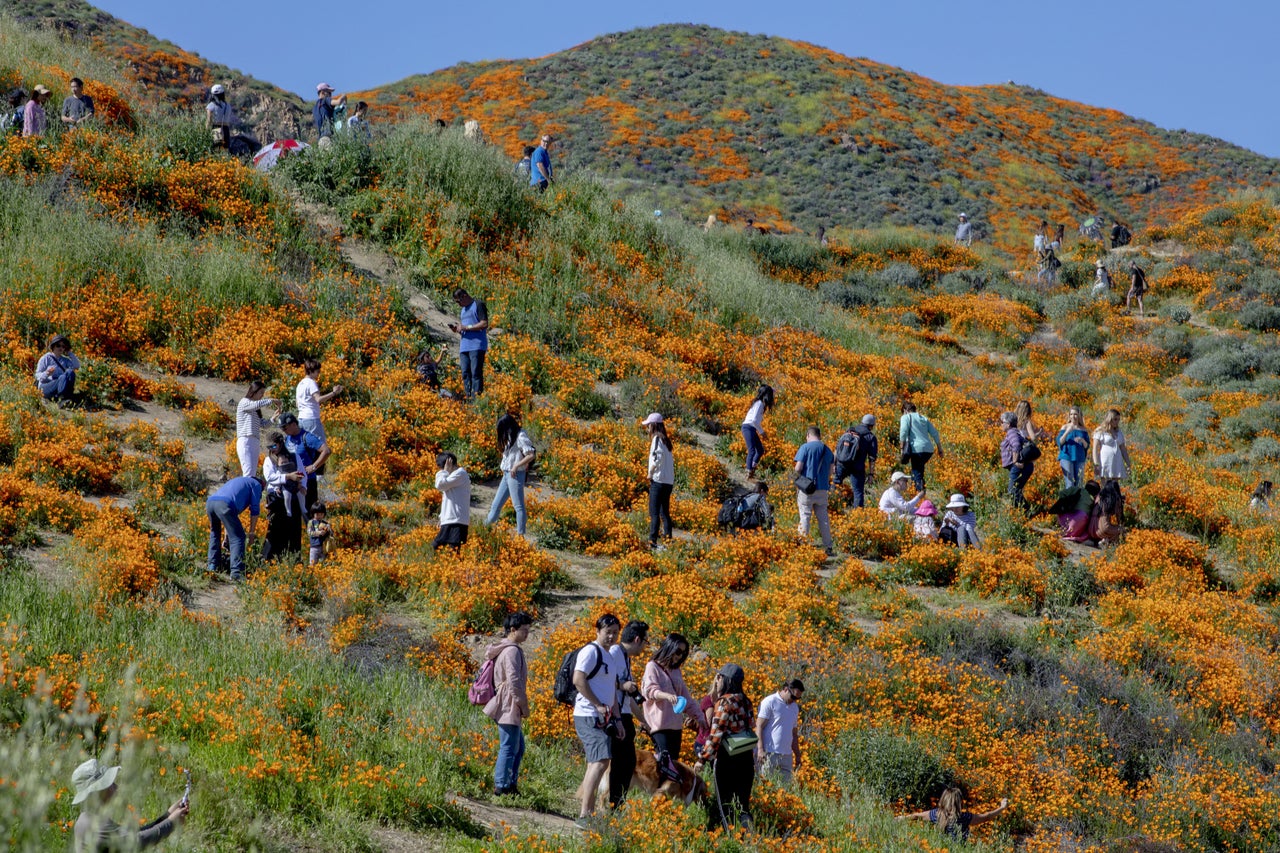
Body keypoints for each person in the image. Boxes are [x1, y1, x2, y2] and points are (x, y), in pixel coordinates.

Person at [71, 758, 188, 852]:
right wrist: (171, 823)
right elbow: (137, 841)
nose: (116, 787)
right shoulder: (95, 825)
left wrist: (167, 816)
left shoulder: (89, 818)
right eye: (110, 784)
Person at [573, 614, 622, 828]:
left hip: (603, 716)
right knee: (601, 761)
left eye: (614, 632)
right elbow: (578, 680)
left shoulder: (609, 656)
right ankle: (585, 815)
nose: (611, 636)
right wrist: (596, 704)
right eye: (607, 632)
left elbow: (611, 691)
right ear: (597, 631)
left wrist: (617, 719)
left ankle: (589, 813)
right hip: (588, 714)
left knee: (596, 762)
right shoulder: (590, 651)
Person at [694, 664, 755, 831]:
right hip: (746, 757)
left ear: (725, 679)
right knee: (743, 804)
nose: (717, 680)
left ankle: (730, 839)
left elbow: (716, 734)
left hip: (727, 759)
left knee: (725, 803)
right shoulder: (746, 701)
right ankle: (750, 838)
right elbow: (751, 726)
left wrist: (702, 758)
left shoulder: (724, 702)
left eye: (719, 677)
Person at [642, 633, 707, 782]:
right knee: (663, 764)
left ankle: (667, 796)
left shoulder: (676, 671)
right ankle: (658, 795)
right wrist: (666, 696)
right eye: (678, 651)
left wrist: (699, 717)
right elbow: (649, 691)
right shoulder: (652, 666)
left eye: (683, 653)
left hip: (675, 726)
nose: (679, 656)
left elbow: (686, 699)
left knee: (673, 764)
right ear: (669, 647)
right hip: (659, 725)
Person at [485, 611, 533, 796]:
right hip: (508, 703)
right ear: (512, 630)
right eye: (524, 630)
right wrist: (523, 704)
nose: (527, 634)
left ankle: (510, 784)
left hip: (506, 702)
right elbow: (514, 681)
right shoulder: (512, 650)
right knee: (509, 746)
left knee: (518, 746)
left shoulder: (506, 649)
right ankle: (502, 786)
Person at [608, 619, 650, 808]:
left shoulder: (624, 657)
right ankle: (614, 804)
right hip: (615, 714)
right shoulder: (615, 653)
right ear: (637, 639)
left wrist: (643, 720)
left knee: (627, 762)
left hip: (624, 715)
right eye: (645, 642)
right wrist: (623, 685)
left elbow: (630, 697)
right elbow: (607, 681)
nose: (644, 648)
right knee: (622, 763)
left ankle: (618, 803)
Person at [486, 413, 536, 535]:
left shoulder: (520, 436)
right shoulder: (510, 435)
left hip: (516, 474)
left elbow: (531, 454)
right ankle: (484, 528)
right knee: (495, 505)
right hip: (507, 475)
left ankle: (520, 536)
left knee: (518, 507)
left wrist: (516, 465)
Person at [206, 475, 262, 582]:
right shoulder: (257, 485)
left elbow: (230, 515)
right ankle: (236, 572)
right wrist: (251, 533)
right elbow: (255, 510)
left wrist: (226, 537)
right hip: (225, 504)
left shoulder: (239, 481)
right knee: (238, 537)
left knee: (215, 533)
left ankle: (212, 566)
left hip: (211, 502)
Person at [260, 433, 306, 563]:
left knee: (294, 529)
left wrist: (302, 485)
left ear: (281, 443)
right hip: (277, 497)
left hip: (294, 495)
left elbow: (302, 473)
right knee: (275, 529)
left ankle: (294, 560)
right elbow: (270, 477)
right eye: (269, 447)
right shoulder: (269, 460)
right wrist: (287, 477)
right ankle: (269, 559)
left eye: (274, 446)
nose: (272, 449)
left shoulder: (294, 456)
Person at [900, 788, 1009, 841]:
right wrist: (1002, 807)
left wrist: (900, 818)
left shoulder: (936, 814)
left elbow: (916, 816)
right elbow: (987, 816)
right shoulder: (964, 817)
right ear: (959, 802)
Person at [793, 425, 835, 556]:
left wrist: (796, 482)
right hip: (822, 489)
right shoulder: (827, 450)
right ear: (819, 435)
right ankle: (828, 546)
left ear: (808, 435)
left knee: (805, 516)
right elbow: (831, 471)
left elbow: (798, 468)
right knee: (823, 519)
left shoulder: (805, 447)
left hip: (807, 489)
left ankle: (803, 545)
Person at [279, 413, 330, 514]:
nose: (283, 431)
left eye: (285, 428)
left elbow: (326, 451)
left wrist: (314, 466)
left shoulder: (307, 437)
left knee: (310, 513)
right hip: (292, 480)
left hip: (307, 480)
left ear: (293, 424)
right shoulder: (288, 438)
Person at [755, 679, 803, 784]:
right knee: (766, 787)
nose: (794, 700)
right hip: (769, 753)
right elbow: (759, 726)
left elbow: (794, 734)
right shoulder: (770, 701)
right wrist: (760, 749)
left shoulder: (794, 708)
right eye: (793, 697)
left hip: (786, 755)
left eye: (797, 698)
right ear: (786, 689)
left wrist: (798, 755)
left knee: (785, 792)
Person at [449, 288, 489, 399]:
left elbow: (484, 323)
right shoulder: (463, 310)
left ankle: (476, 400)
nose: (458, 304)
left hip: (476, 345)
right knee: (465, 374)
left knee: (476, 373)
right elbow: (466, 328)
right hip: (464, 346)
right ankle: (468, 398)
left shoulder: (478, 304)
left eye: (458, 301)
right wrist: (458, 329)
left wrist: (467, 327)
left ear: (465, 296)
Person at [644, 413, 675, 550]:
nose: (647, 428)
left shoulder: (656, 439)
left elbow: (657, 458)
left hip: (658, 480)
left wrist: (650, 472)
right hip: (668, 482)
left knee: (654, 512)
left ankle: (652, 541)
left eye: (648, 425)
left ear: (654, 425)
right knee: (665, 513)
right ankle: (668, 540)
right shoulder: (666, 441)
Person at [899, 402, 944, 491]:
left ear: (905, 410)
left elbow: (903, 432)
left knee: (917, 473)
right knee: (918, 471)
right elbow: (935, 433)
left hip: (916, 449)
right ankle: (917, 492)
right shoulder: (924, 418)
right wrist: (940, 449)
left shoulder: (906, 417)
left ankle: (919, 495)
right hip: (928, 450)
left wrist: (901, 448)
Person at [235, 381, 276, 478]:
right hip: (246, 440)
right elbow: (256, 404)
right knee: (248, 473)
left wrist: (273, 418)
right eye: (261, 393)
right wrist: (272, 400)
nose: (262, 395)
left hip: (255, 441)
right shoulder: (244, 402)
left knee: (252, 473)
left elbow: (264, 425)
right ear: (254, 391)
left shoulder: (255, 408)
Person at [295, 358, 342, 442]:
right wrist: (334, 393)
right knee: (321, 447)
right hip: (311, 419)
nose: (318, 374)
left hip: (301, 419)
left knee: (306, 445)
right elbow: (318, 399)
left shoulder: (300, 384)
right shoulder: (311, 383)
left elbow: (297, 404)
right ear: (312, 371)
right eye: (318, 371)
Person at [433, 451, 471, 551]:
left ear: (448, 463)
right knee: (444, 548)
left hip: (456, 520)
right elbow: (447, 498)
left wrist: (444, 471)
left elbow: (440, 485)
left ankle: (456, 566)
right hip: (451, 519)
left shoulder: (460, 474)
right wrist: (442, 518)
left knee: (452, 550)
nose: (441, 470)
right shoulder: (452, 477)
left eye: (441, 467)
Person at [34, 333, 80, 405]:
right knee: (63, 377)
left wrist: (69, 353)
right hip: (46, 386)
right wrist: (47, 373)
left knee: (70, 372)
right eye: (58, 345)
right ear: (53, 346)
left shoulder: (65, 360)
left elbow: (77, 366)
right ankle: (62, 399)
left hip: (59, 386)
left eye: (63, 346)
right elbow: (37, 375)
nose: (60, 348)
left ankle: (66, 397)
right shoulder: (46, 358)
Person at [741, 384, 774, 480]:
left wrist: (772, 389)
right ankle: (748, 472)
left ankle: (752, 469)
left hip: (751, 428)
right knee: (751, 450)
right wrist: (762, 432)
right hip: (748, 427)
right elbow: (754, 420)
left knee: (760, 450)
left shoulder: (760, 403)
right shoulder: (759, 404)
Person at [1000, 412, 1032, 510]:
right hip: (1023, 466)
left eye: (1002, 422)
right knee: (1015, 490)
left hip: (1017, 467)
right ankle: (1021, 512)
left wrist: (1015, 461)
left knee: (1012, 491)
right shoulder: (1015, 432)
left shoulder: (1012, 432)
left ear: (1008, 424)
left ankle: (1027, 512)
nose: (1001, 425)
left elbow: (1016, 445)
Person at [1091, 408, 1130, 484]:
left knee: (1115, 485)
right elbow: (1095, 449)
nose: (1117, 422)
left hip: (1116, 460)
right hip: (1105, 460)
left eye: (1118, 420)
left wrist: (1128, 463)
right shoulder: (1100, 431)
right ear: (1110, 419)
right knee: (1105, 484)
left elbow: (1123, 449)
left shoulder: (1119, 432)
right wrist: (1096, 464)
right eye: (1115, 419)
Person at [1055, 407, 1090, 489]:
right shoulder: (1065, 427)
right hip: (1067, 456)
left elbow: (1087, 446)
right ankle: (1070, 501)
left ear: (1079, 416)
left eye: (1075, 414)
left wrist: (1082, 440)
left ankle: (1078, 501)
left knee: (1079, 483)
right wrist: (1067, 431)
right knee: (1070, 483)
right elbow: (1060, 442)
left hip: (1079, 457)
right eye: (1071, 414)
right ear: (1069, 416)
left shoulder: (1083, 430)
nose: (1073, 416)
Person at [204, 84, 235, 149]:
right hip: (226, 129)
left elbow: (209, 120)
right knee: (225, 150)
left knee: (216, 150)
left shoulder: (211, 105)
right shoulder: (228, 106)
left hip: (216, 129)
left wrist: (205, 131)